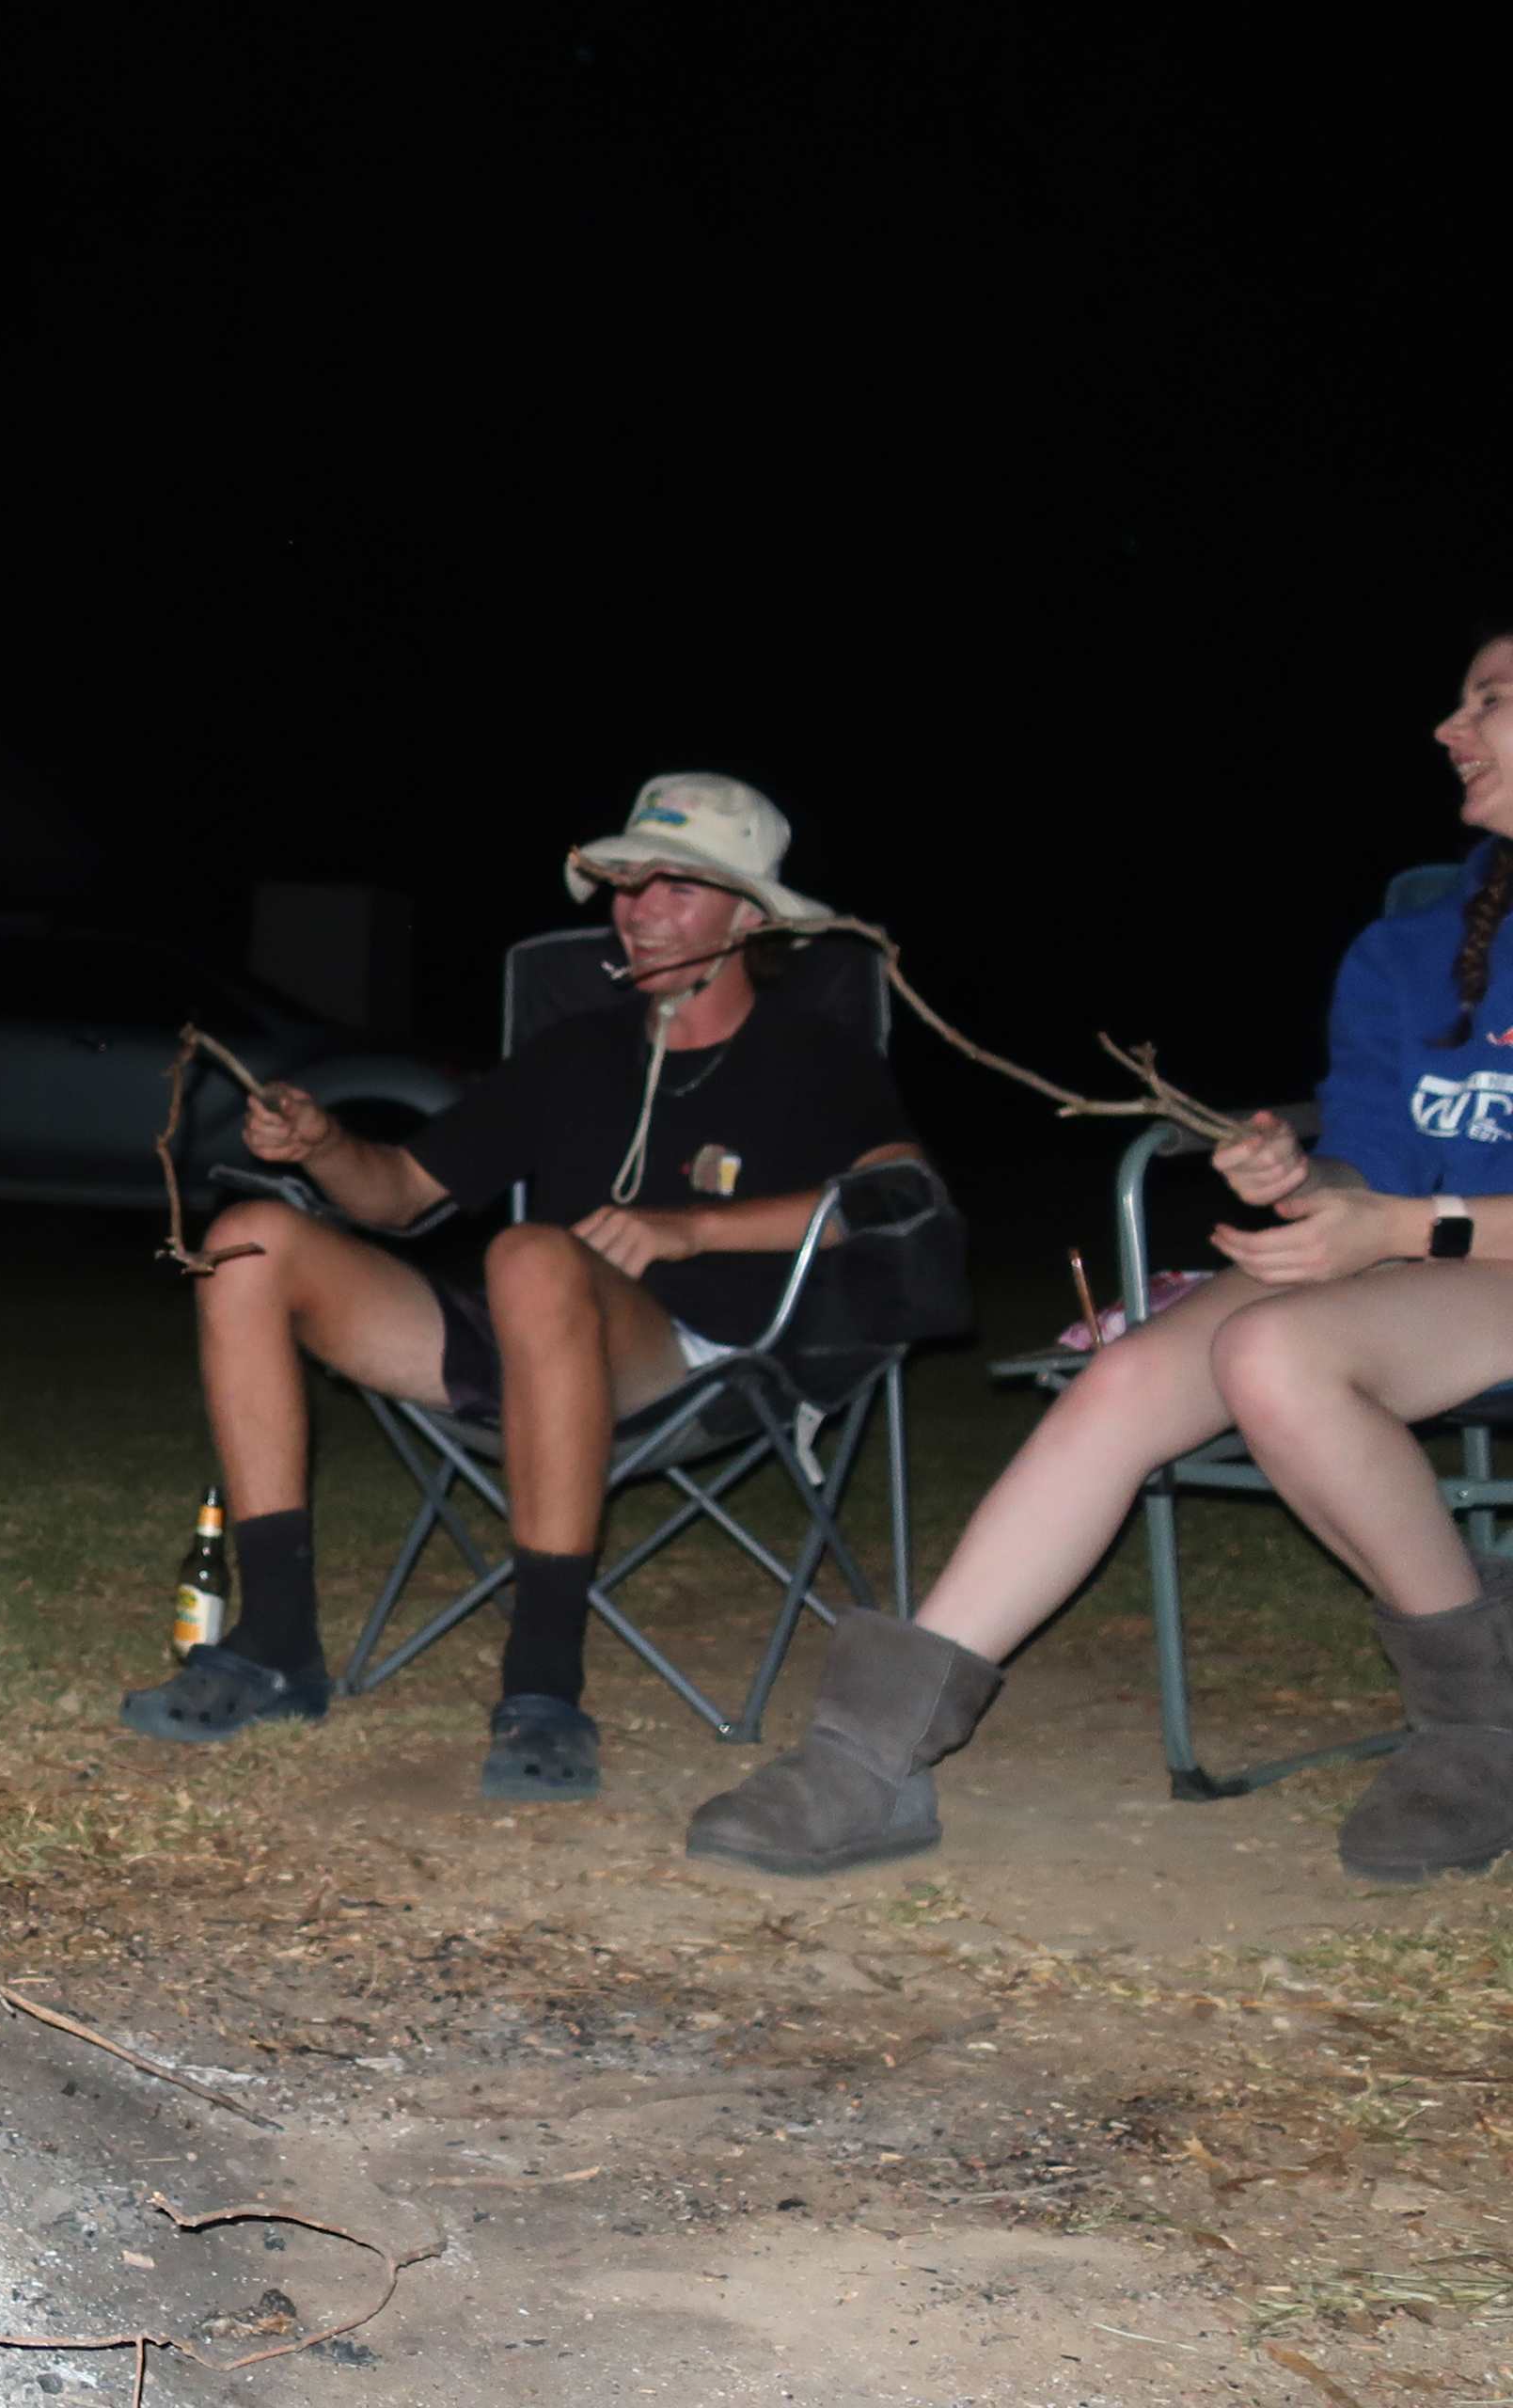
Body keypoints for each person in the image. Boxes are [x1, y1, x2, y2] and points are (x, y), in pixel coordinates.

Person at [690, 633, 1513, 1885]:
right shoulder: (1411, 948)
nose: (1448, 728)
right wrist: (1308, 1183)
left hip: (1467, 1261)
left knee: (1274, 1352)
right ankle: (874, 1753)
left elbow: (1410, 1217)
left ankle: (1477, 1725)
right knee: (1127, 1377)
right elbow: (1372, 1162)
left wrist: (1404, 1230)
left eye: (1489, 701)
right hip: (1428, 1264)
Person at [120, 775, 923, 1801]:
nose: (638, 909)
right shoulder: (577, 1050)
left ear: (750, 918)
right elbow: (400, 1193)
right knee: (249, 1242)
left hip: (704, 1362)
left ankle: (544, 1682)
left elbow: (899, 1196)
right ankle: (278, 1646)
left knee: (530, 1256)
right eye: (628, 884)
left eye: (677, 887)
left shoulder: (811, 1052)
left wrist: (691, 1228)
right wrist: (324, 1145)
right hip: (527, 1329)